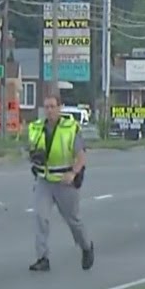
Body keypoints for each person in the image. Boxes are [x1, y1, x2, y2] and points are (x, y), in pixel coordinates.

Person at [26, 94, 93, 272]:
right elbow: (31, 151)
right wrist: (34, 157)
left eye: (52, 106)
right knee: (41, 217)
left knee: (73, 221)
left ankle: (86, 247)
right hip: (44, 180)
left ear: (60, 107)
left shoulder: (70, 129)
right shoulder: (37, 128)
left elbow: (81, 157)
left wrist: (73, 172)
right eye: (46, 107)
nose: (49, 110)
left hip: (65, 182)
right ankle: (42, 258)